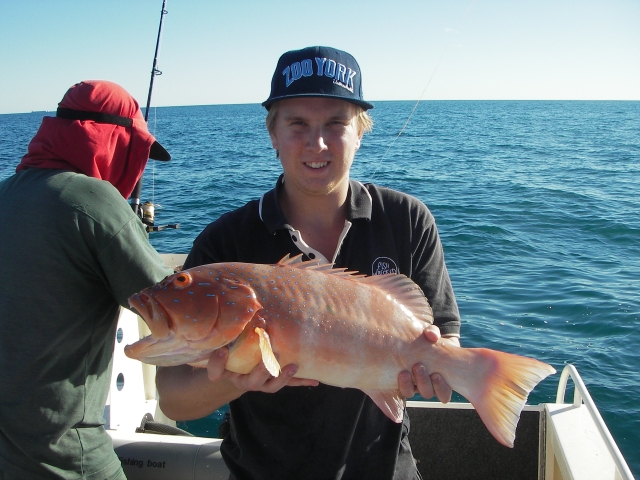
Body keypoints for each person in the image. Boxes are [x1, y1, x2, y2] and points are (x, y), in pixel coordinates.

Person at [156, 46, 461, 480]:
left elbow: (443, 336)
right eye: (297, 123)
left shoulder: (408, 219)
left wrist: (439, 371)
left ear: (360, 131)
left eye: (336, 123)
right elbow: (173, 400)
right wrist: (235, 377)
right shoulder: (227, 242)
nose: (317, 143)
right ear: (272, 133)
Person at [0, 80, 175, 479]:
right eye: (137, 152)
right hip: (63, 458)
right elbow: (168, 305)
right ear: (113, 142)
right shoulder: (94, 200)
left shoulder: (5, 194)